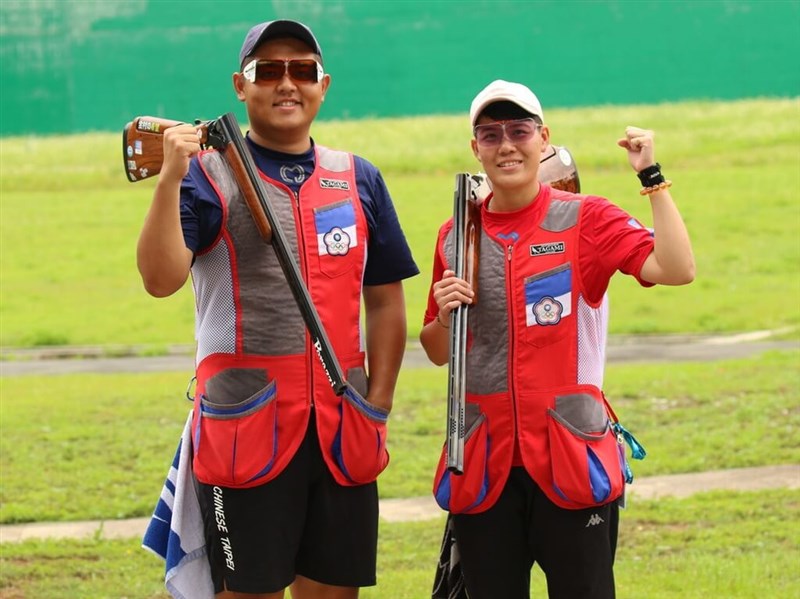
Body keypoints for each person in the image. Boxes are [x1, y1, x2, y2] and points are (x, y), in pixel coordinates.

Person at [136, 19, 419, 599]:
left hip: (344, 427)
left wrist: (379, 400)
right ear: (241, 86)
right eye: (268, 71)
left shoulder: (359, 176)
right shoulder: (205, 177)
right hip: (246, 427)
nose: (286, 83)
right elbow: (159, 279)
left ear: (323, 84)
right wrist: (170, 178)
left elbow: (386, 296)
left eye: (301, 70)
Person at [420, 80, 695, 599]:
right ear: (474, 147)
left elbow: (677, 268)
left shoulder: (586, 218)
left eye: (519, 130)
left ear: (542, 139)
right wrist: (444, 311)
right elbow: (437, 350)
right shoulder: (456, 233)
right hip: (485, 463)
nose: (506, 145)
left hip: (571, 460)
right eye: (490, 133)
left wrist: (652, 178)